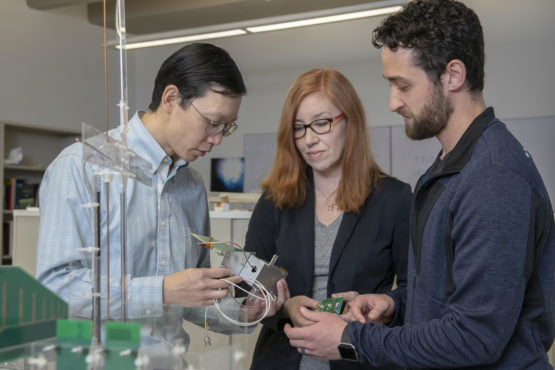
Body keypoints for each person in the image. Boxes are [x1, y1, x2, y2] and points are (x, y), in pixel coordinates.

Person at [283, 1, 555, 368]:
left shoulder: (493, 177)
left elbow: (475, 336)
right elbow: (445, 298)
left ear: (453, 75)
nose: (393, 102)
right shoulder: (447, 169)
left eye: (403, 85)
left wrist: (351, 339)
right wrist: (395, 304)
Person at [36, 43, 250, 320]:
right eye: (212, 122)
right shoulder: (81, 165)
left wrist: (245, 313)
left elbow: (192, 301)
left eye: (227, 127)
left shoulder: (192, 185)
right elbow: (56, 290)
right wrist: (161, 291)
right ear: (171, 99)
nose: (218, 138)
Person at [244, 69, 411, 370]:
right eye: (299, 128)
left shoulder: (394, 199)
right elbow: (249, 289)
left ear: (351, 121)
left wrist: (384, 306)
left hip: (359, 359)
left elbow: (415, 294)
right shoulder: (274, 200)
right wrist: (284, 308)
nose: (309, 139)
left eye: (321, 124)